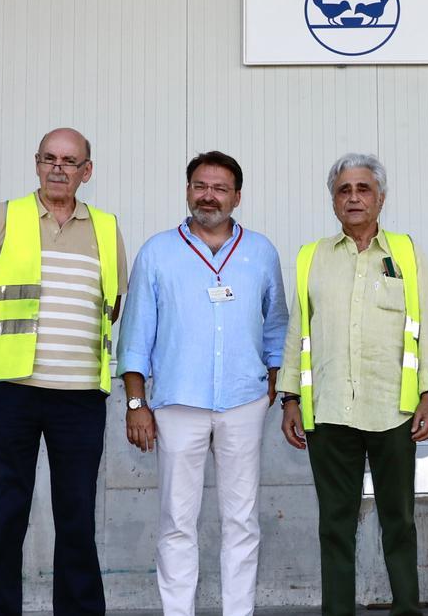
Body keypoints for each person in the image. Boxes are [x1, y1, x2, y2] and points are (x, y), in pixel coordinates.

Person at [0, 127, 126, 615]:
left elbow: (112, 306)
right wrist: (3, 345)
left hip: (80, 398)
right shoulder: (1, 217)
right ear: (36, 164)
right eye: (49, 158)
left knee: (76, 520)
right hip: (13, 393)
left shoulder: (107, 228)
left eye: (70, 161)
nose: (58, 168)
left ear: (86, 172)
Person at [116, 151, 289, 616]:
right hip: (177, 403)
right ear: (188, 189)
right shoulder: (157, 251)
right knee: (176, 520)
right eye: (199, 185)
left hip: (243, 402)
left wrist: (271, 386)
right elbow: (134, 334)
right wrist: (137, 404)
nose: (208, 195)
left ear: (237, 196)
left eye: (219, 188)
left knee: (241, 520)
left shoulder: (260, 251)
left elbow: (276, 326)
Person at [277, 153, 428, 616]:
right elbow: (298, 331)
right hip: (329, 412)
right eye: (344, 190)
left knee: (400, 522)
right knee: (334, 524)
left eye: (363, 188)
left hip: (394, 410)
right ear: (333, 201)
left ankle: (406, 609)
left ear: (381, 198)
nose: (353, 197)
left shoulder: (406, 253)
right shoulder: (312, 258)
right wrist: (290, 398)